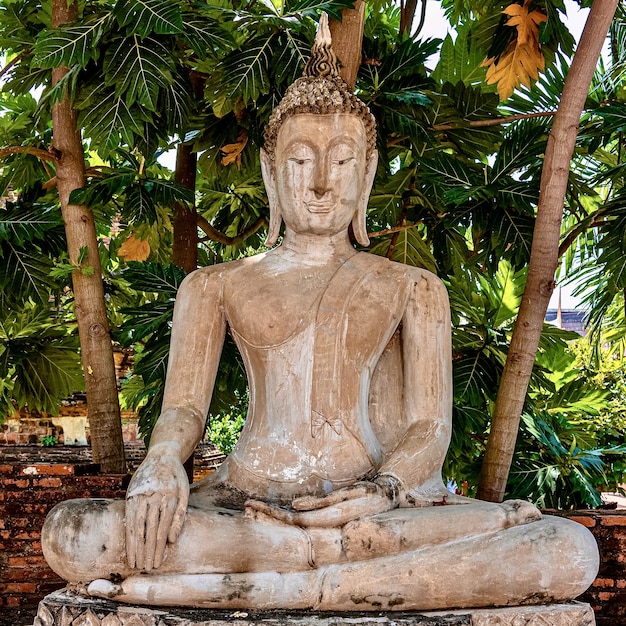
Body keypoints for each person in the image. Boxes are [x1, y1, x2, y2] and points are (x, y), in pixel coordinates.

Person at [42, 15, 599, 612]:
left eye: (341, 161)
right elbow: (183, 407)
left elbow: (429, 428)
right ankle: (313, 575)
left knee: (568, 550)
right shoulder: (214, 285)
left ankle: (296, 584)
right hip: (245, 508)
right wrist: (159, 463)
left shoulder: (413, 288)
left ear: (366, 173)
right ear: (271, 173)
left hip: (373, 518)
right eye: (302, 160)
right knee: (74, 533)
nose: (321, 183)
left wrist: (382, 491)